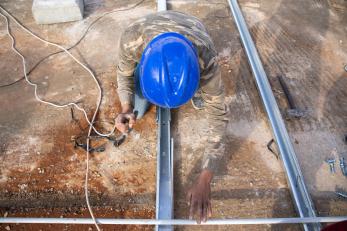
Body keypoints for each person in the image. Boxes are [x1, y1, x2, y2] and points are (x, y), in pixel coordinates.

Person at [115, 10, 227, 223]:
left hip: (192, 26)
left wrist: (206, 178)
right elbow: (123, 75)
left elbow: (218, 117)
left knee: (210, 97)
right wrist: (126, 107)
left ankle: (198, 91)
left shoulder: (206, 58)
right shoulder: (131, 39)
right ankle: (145, 91)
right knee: (138, 99)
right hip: (148, 32)